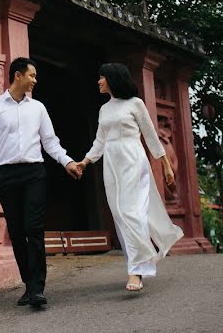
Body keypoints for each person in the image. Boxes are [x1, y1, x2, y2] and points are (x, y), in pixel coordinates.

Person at [0, 57, 82, 308]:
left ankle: (37, 289)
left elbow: (50, 142)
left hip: (35, 173)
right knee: (16, 233)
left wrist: (67, 161)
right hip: (7, 176)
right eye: (32, 75)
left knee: (33, 229)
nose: (35, 80)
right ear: (18, 75)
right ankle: (28, 284)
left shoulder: (38, 108)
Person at [76, 63, 183, 292]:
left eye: (102, 77)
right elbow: (100, 142)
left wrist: (166, 166)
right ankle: (137, 263)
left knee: (131, 212)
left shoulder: (136, 104)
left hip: (133, 159)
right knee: (120, 214)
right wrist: (84, 162)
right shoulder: (104, 109)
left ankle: (135, 271)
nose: (99, 81)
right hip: (112, 164)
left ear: (113, 79)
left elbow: (151, 135)